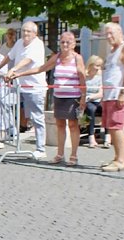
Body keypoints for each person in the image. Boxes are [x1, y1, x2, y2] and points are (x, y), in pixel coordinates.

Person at [9, 31, 85, 166]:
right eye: (63, 42)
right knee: (60, 125)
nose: (65, 44)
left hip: (73, 97)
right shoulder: (57, 57)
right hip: (59, 96)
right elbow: (41, 68)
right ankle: (60, 154)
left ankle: (74, 155)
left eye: (68, 42)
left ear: (73, 44)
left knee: (73, 125)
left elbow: (82, 78)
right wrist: (19, 73)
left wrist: (83, 98)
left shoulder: (77, 58)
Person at [0, 21, 48, 159]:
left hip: (34, 87)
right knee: (4, 102)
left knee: (36, 117)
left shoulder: (37, 44)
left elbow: (28, 60)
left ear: (35, 33)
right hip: (19, 86)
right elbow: (8, 57)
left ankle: (41, 149)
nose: (26, 33)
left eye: (29, 31)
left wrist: (14, 69)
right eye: (24, 30)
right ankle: (13, 132)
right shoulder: (19, 43)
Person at [100, 22, 124, 171]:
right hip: (109, 95)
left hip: (118, 95)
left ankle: (121, 160)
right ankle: (116, 158)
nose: (108, 37)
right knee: (111, 127)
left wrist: (122, 93)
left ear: (120, 33)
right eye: (106, 34)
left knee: (116, 126)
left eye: (111, 33)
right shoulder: (112, 51)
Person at [83, 55, 104, 148]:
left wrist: (91, 97)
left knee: (106, 109)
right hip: (85, 101)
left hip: (95, 99)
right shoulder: (84, 76)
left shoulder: (99, 77)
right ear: (91, 65)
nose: (98, 68)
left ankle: (108, 136)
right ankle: (91, 136)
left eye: (100, 66)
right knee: (90, 110)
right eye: (97, 65)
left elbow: (101, 93)